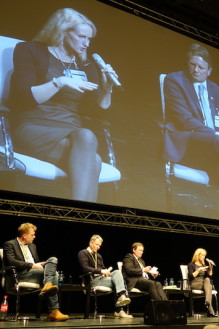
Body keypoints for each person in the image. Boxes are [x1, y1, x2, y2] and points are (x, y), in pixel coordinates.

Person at [8, 8, 119, 202]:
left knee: (86, 138)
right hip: (33, 125)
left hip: (70, 130)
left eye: (90, 39)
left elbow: (97, 112)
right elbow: (22, 98)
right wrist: (58, 82)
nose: (86, 43)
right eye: (82, 37)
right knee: (93, 159)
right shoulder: (29, 50)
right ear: (63, 32)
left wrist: (107, 87)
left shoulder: (85, 65)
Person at [163, 43, 219, 221]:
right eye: (192, 64)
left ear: (209, 71)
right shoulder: (174, 80)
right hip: (189, 145)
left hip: (215, 151)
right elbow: (184, 120)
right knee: (218, 141)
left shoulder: (215, 89)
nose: (195, 70)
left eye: (201, 67)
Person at [3, 223, 69, 321]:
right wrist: (32, 265)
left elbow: (35, 262)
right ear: (24, 235)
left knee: (53, 259)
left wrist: (40, 264)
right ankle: (54, 310)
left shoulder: (32, 246)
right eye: (32, 234)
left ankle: (47, 287)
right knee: (55, 274)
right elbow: (11, 261)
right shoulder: (10, 244)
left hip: (33, 272)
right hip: (20, 274)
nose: (34, 237)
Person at [78, 235, 132, 318]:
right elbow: (85, 268)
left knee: (117, 272)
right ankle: (119, 309)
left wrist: (106, 271)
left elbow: (103, 268)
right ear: (91, 243)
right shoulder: (83, 253)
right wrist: (101, 271)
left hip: (103, 278)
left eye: (99, 245)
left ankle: (121, 298)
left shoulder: (99, 256)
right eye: (97, 244)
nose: (98, 247)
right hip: (93, 280)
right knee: (117, 282)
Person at [188, 248, 217, 317]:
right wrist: (198, 270)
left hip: (204, 284)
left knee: (207, 279)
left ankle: (207, 303)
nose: (204, 257)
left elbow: (210, 275)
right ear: (198, 255)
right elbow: (191, 276)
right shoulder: (191, 264)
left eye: (204, 255)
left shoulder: (204, 265)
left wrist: (211, 267)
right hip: (195, 283)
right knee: (209, 286)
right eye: (202, 255)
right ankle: (210, 311)